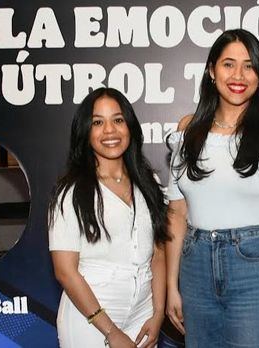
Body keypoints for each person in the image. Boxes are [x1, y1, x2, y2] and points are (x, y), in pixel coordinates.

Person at [165, 29, 259, 347]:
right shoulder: (187, 129)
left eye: (249, 65)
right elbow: (176, 212)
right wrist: (171, 286)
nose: (238, 75)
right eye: (229, 64)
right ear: (211, 71)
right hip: (195, 267)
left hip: (257, 267)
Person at [48, 87, 169, 348]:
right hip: (90, 319)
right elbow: (65, 271)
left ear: (130, 127)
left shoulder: (150, 183)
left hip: (143, 315)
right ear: (85, 132)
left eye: (118, 120)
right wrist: (111, 332)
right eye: (98, 123)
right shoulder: (71, 192)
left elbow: (158, 254)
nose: (110, 131)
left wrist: (158, 313)